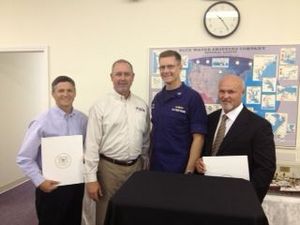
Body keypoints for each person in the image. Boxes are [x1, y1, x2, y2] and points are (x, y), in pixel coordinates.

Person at [84, 59, 150, 225]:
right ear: (111, 77)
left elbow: (145, 139)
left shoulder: (142, 105)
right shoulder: (100, 106)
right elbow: (91, 144)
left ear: (133, 77)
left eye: (126, 74)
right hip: (108, 170)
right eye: (118, 74)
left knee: (131, 212)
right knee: (105, 215)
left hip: (136, 169)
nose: (122, 78)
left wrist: (144, 163)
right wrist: (91, 179)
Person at [16, 75, 88, 225]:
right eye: (61, 90)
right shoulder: (41, 122)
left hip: (76, 185)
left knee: (74, 220)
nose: (66, 94)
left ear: (75, 93)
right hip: (50, 186)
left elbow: (87, 148)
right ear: (53, 94)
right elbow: (24, 158)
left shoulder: (83, 119)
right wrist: (39, 181)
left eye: (70, 90)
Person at [195, 74, 276, 203]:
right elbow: (204, 154)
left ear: (242, 93)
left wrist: (249, 199)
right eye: (222, 91)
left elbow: (265, 169)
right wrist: (198, 163)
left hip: (238, 201)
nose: (225, 96)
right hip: (207, 196)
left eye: (231, 92)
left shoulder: (259, 126)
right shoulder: (210, 120)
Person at [150, 50, 207, 174]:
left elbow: (199, 138)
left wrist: (189, 170)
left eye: (170, 66)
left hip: (180, 169)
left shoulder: (192, 98)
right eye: (162, 67)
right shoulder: (157, 98)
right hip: (156, 167)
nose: (166, 71)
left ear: (180, 67)